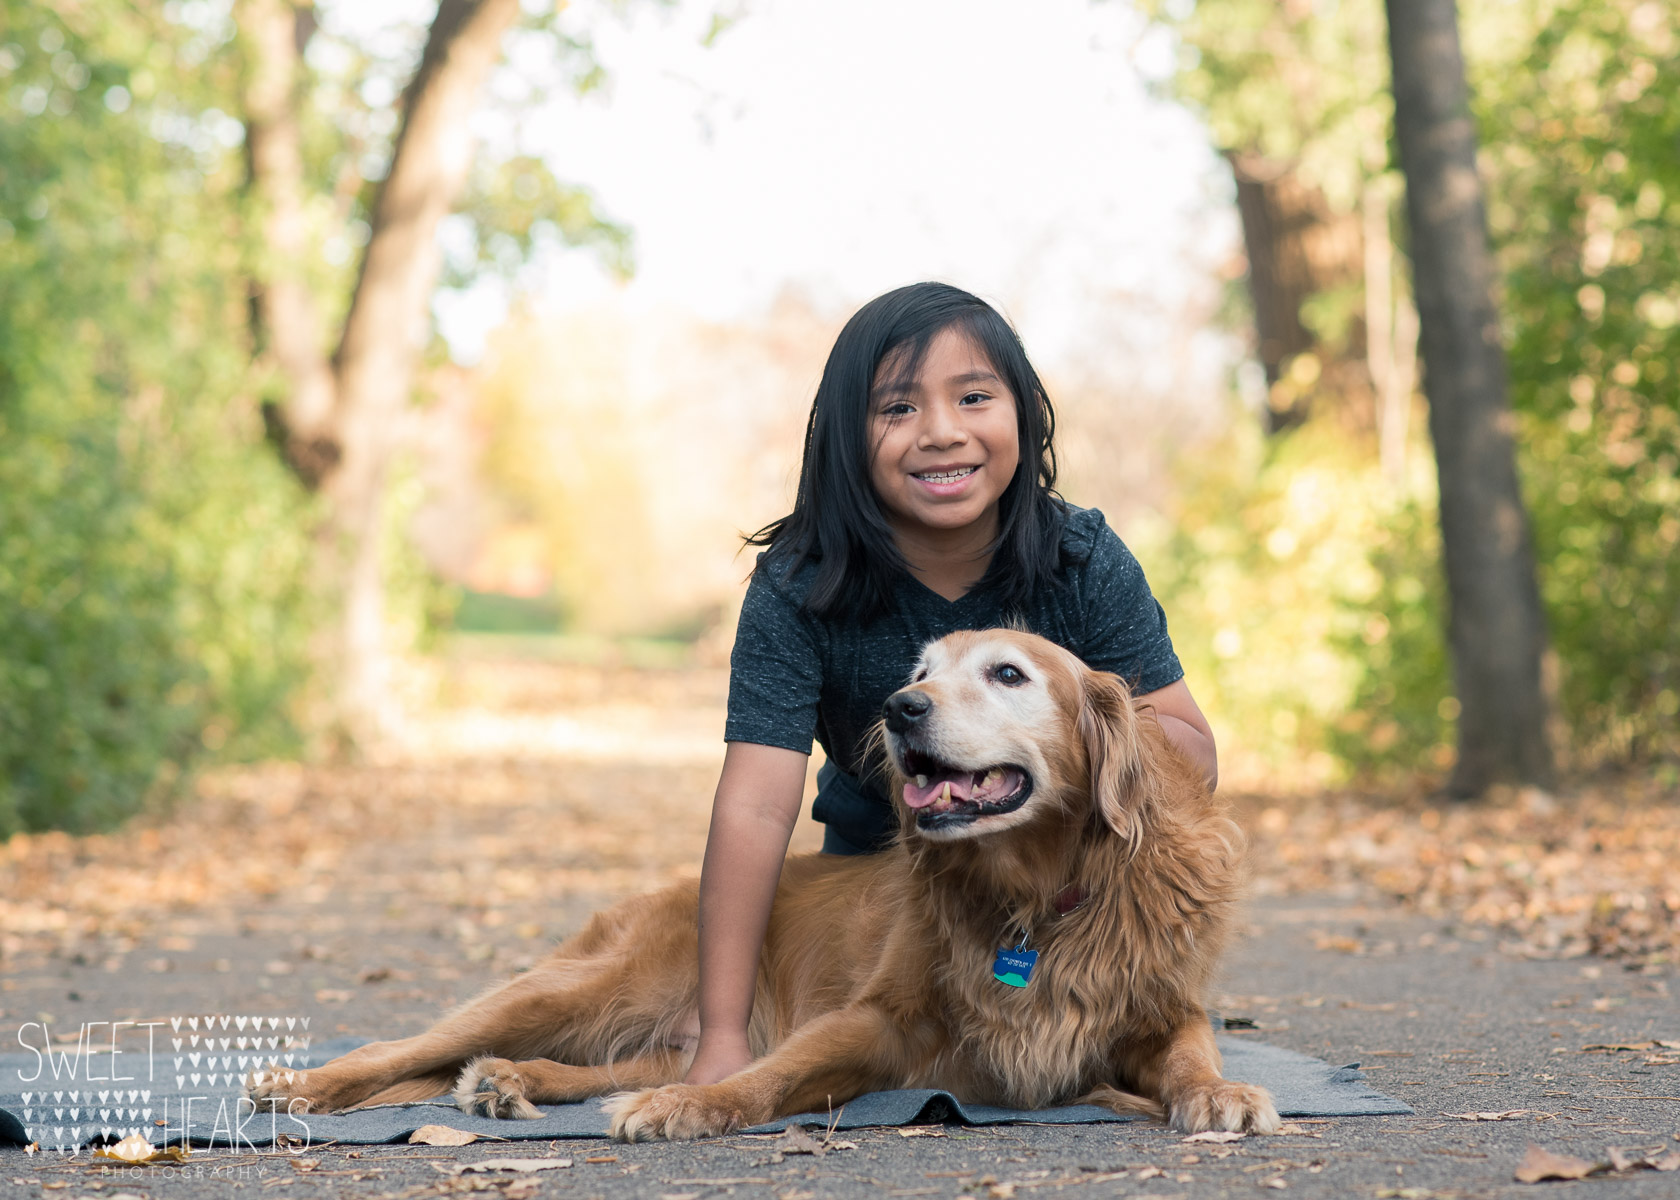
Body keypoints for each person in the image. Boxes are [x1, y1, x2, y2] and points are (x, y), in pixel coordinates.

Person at [684, 282, 1217, 1086]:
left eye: (974, 397)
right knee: (881, 1033)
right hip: (891, 877)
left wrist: (1099, 736)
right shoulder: (799, 582)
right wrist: (721, 1032)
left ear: (1023, 413)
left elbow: (1191, 749)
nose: (941, 432)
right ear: (845, 438)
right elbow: (757, 805)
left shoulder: (1083, 556)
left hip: (1073, 884)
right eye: (896, 408)